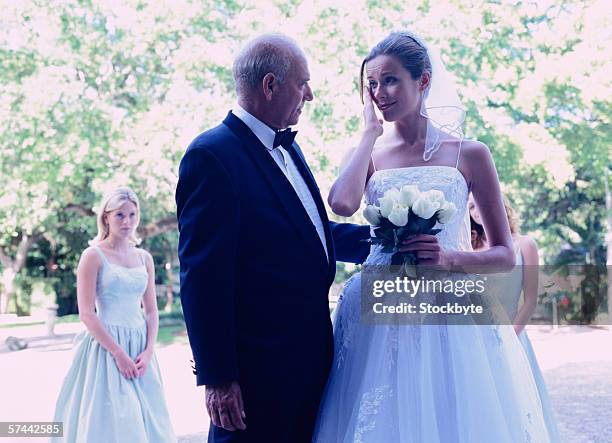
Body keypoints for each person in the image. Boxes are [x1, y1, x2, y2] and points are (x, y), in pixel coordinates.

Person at [313, 31, 554, 442]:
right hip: (378, 309)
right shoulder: (367, 153)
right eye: (371, 84)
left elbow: (502, 252)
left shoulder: (470, 153)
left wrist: (449, 259)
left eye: (390, 80)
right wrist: (368, 134)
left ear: (423, 80)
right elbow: (340, 203)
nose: (379, 93)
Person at [175, 34, 370, 442]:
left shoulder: (288, 149)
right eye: (303, 83)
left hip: (308, 364)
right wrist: (219, 377)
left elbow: (304, 233)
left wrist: (385, 242)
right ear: (270, 85)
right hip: (254, 377)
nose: (310, 95)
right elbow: (202, 277)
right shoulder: (211, 156)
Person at [52, 187, 176, 442]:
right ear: (106, 217)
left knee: (150, 422)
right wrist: (118, 353)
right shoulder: (92, 256)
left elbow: (151, 310)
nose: (127, 221)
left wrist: (149, 349)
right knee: (116, 422)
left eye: (132, 214)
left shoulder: (144, 258)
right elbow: (86, 314)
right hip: (107, 348)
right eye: (120, 215)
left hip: (140, 348)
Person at [470, 193, 561, 442]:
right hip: (475, 340)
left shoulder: (524, 244)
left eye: (478, 203)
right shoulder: (469, 248)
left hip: (513, 335)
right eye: (470, 207)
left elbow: (530, 300)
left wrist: (509, 337)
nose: (476, 210)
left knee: (517, 404)